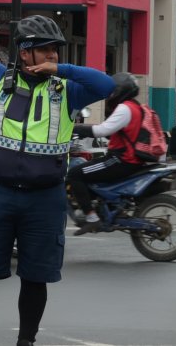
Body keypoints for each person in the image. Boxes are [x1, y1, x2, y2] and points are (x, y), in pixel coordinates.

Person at [0, 0, 114, 346]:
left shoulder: (66, 91)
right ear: (25, 52)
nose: (53, 56)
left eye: (56, 51)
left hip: (45, 198)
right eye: (46, 50)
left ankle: (26, 342)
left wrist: (61, 69)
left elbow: (106, 84)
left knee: (36, 277)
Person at [67, 73, 153, 234]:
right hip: (130, 160)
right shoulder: (136, 107)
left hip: (120, 160)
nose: (110, 94)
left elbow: (102, 130)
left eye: (112, 91)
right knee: (88, 172)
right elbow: (117, 132)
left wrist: (75, 129)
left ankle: (92, 218)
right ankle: (101, 207)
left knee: (75, 174)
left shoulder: (124, 108)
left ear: (120, 90)